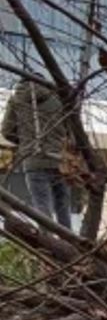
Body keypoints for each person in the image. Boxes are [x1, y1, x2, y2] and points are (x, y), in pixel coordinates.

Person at [1, 79, 74, 228]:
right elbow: (70, 129)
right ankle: (70, 242)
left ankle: (47, 242)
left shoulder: (16, 100)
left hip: (33, 159)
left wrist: (24, 142)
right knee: (63, 205)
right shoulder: (57, 99)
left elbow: (7, 131)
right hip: (59, 160)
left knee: (42, 205)